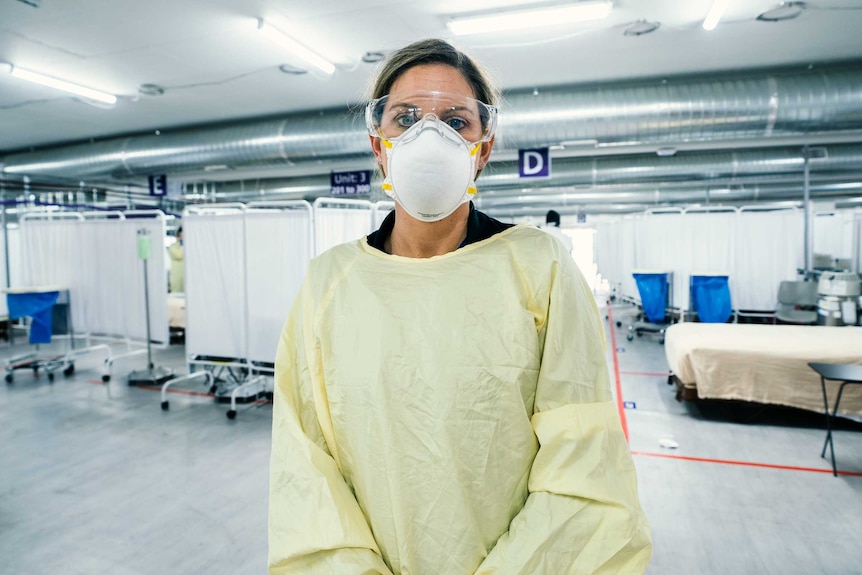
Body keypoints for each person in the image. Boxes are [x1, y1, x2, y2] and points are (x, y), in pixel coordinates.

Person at [268, 38, 651, 575]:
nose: (432, 138)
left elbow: (581, 465)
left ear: (483, 148)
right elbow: (306, 463)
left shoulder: (538, 267)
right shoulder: (330, 282)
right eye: (405, 118)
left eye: (456, 121)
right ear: (379, 146)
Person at [167, 227, 183, 293]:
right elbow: (179, 255)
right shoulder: (172, 247)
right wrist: (182, 245)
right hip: (177, 277)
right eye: (181, 235)